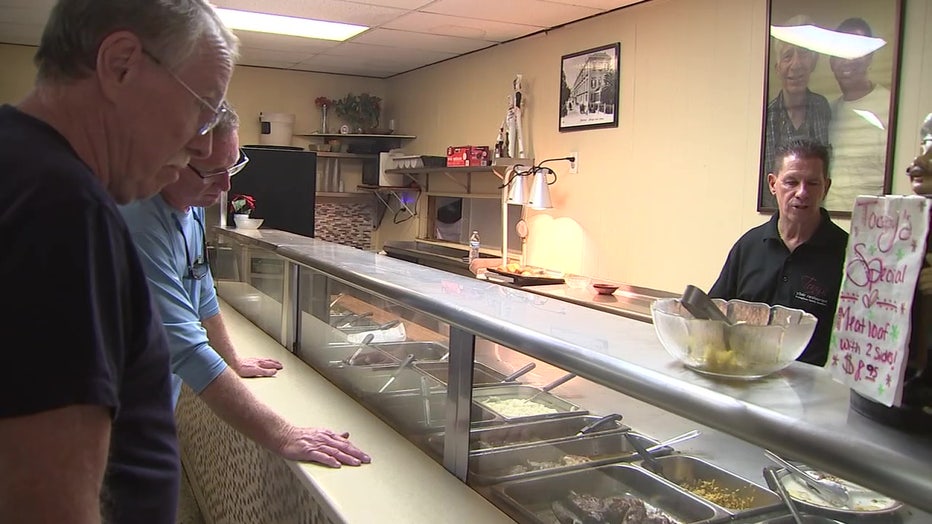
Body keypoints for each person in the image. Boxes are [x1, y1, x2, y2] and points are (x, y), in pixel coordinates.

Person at [0, 0, 237, 521]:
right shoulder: (59, 207)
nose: (201, 142)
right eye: (204, 108)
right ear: (122, 64)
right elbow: (43, 503)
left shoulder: (28, 169)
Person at [120, 106, 371, 469]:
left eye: (233, 167)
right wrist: (284, 433)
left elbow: (201, 287)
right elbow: (186, 349)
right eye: (210, 173)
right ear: (165, 159)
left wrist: (233, 359)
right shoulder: (136, 221)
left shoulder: (186, 206)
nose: (226, 186)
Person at [711, 138, 848, 366]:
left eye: (812, 183)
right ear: (773, 184)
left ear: (826, 186)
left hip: (810, 393)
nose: (802, 192)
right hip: (744, 379)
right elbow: (714, 314)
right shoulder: (749, 245)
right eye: (791, 182)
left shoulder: (848, 255)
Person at [762, 16, 832, 209]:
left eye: (803, 54)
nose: (796, 64)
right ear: (778, 68)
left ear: (813, 63)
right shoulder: (769, 116)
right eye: (787, 56)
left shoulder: (822, 107)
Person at [823, 17, 891, 212]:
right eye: (840, 51)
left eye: (856, 51)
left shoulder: (889, 106)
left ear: (869, 57)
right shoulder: (828, 111)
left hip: (871, 228)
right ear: (831, 61)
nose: (847, 60)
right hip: (828, 227)